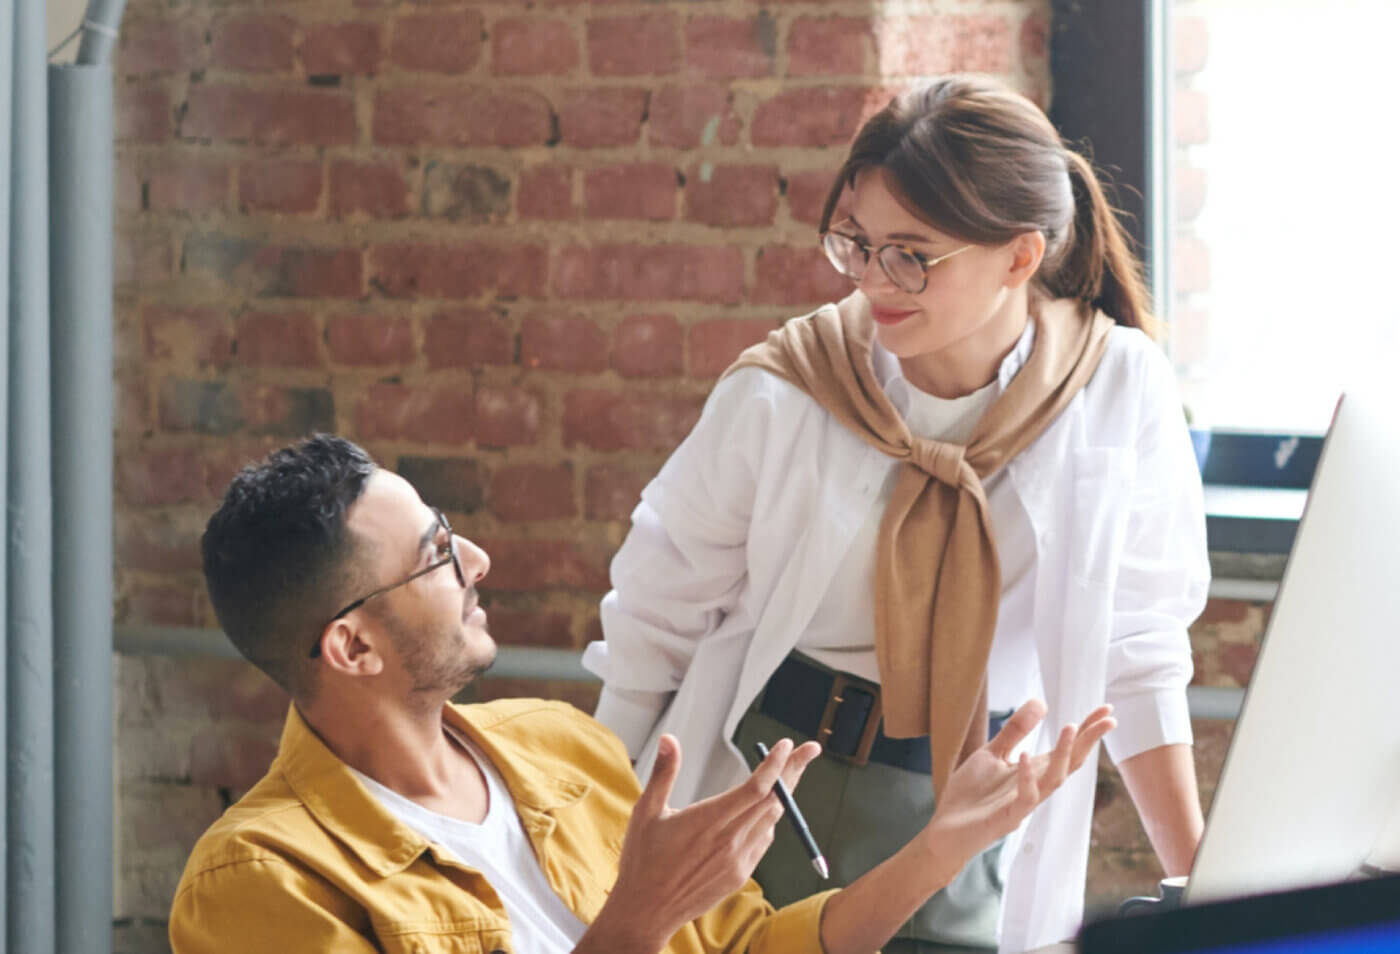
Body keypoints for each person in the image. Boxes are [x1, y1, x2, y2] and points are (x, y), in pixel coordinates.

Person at [582, 75, 1211, 953]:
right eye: (858, 243)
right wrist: (590, 851)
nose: (877, 280)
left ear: (1021, 257)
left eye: (912, 254)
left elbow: (1138, 648)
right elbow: (654, 622)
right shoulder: (790, 386)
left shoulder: (1114, 388)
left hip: (965, 805)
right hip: (759, 784)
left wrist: (1209, 894)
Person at [169, 434, 1114, 954]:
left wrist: (948, 840)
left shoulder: (559, 748)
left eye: (450, 530)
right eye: (436, 555)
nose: (477, 561)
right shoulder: (260, 881)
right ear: (351, 644)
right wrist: (636, 923)